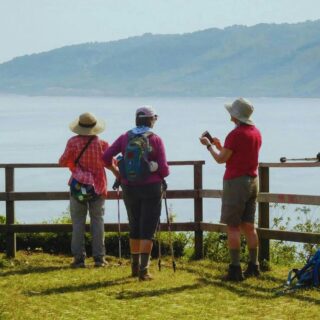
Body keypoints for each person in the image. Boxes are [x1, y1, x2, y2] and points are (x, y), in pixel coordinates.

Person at [103, 106, 169, 281]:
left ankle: (134, 267)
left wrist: (119, 174)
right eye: (154, 118)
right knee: (148, 229)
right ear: (150, 120)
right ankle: (144, 270)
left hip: (129, 187)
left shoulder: (125, 137)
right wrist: (153, 168)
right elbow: (165, 170)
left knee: (134, 226)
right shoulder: (156, 139)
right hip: (152, 188)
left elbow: (105, 157)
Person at [200, 98, 262, 281]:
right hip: (253, 180)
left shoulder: (235, 134)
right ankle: (254, 265)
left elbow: (221, 160)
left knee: (233, 227)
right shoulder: (256, 132)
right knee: (249, 226)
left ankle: (235, 269)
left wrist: (209, 146)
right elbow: (237, 154)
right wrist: (221, 147)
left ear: (235, 115)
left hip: (236, 182)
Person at [59, 112, 118, 268]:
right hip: (97, 188)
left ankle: (79, 259)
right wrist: (120, 175)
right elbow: (111, 164)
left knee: (78, 223)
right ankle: (99, 258)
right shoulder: (103, 144)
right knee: (97, 222)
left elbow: (62, 161)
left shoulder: (72, 143)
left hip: (78, 188)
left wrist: (75, 165)